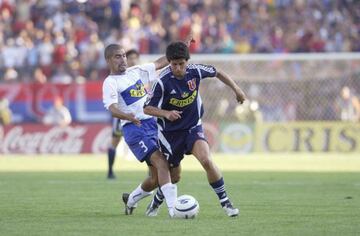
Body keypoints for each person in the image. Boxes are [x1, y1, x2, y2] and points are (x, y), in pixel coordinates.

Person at [143, 41, 246, 217]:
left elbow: (218, 72)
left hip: (192, 127)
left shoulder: (196, 71)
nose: (177, 68)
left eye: (181, 64)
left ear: (187, 62)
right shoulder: (162, 82)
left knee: (206, 160)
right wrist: (166, 113)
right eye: (174, 64)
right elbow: (147, 108)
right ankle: (156, 201)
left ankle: (226, 204)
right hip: (170, 134)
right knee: (174, 177)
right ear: (169, 63)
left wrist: (236, 89)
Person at [102, 44, 178, 217]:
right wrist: (129, 117)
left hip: (153, 123)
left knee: (156, 178)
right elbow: (112, 108)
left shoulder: (135, 71)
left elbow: (159, 63)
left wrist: (180, 48)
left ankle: (130, 200)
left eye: (123, 56)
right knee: (161, 162)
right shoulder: (110, 82)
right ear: (108, 60)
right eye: (117, 57)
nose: (122, 60)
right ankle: (174, 209)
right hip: (134, 128)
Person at [107, 49, 140, 179]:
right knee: (115, 141)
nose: (132, 60)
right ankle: (110, 171)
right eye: (130, 58)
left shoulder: (139, 73)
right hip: (122, 116)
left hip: (140, 114)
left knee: (151, 140)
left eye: (134, 58)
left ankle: (152, 171)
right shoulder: (117, 76)